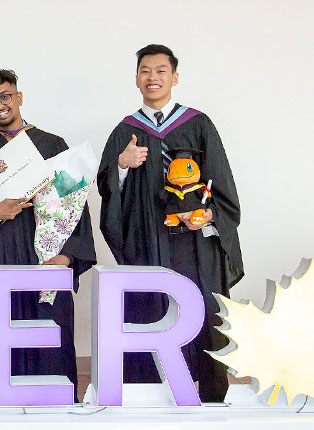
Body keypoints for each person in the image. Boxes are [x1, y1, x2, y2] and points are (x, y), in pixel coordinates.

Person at [97, 44, 243, 402]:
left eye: (161, 71)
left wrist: (209, 216)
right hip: (148, 242)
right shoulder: (125, 131)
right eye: (146, 71)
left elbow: (222, 185)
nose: (153, 78)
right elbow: (106, 187)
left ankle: (212, 400)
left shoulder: (198, 124)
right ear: (136, 79)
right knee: (151, 312)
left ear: (174, 77)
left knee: (206, 314)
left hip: (197, 245)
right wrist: (121, 163)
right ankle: (152, 400)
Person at [0, 69, 96, 400]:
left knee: (49, 330)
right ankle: (1, 407)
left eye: (5, 96)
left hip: (44, 255)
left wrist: (68, 255)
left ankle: (55, 408)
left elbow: (75, 202)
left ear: (19, 98)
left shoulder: (51, 144)